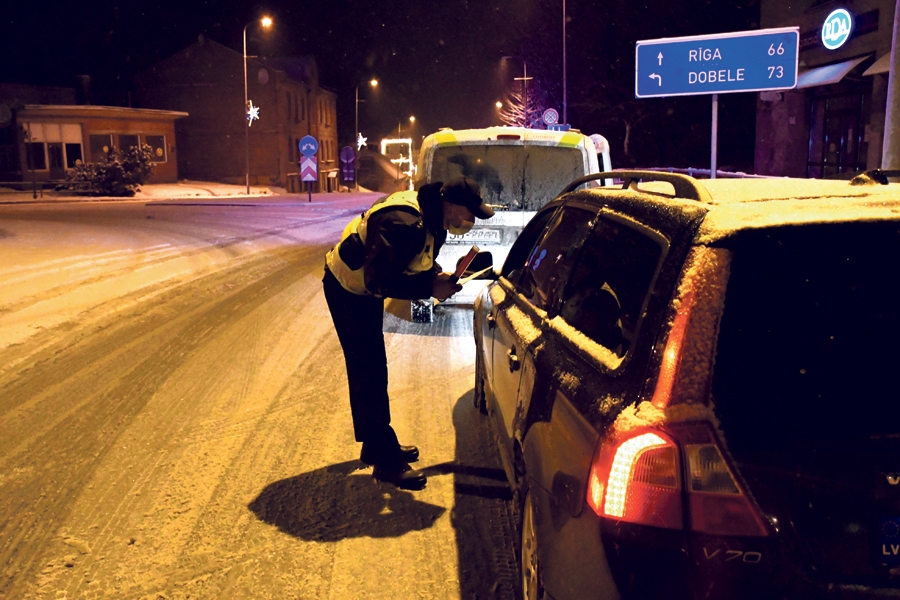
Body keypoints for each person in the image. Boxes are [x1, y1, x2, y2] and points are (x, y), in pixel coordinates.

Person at [323, 176, 494, 490]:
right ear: (451, 205)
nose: (470, 220)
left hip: (363, 290)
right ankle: (386, 462)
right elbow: (378, 281)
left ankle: (375, 445)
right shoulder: (401, 222)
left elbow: (414, 259)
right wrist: (429, 287)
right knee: (367, 369)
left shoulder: (434, 221)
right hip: (346, 287)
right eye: (469, 213)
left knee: (373, 367)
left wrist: (437, 276)